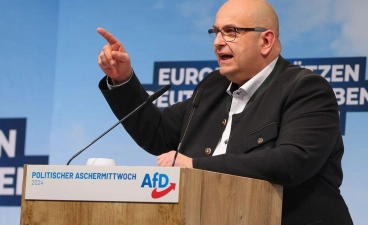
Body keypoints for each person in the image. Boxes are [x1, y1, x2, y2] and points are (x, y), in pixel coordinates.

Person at [96, 0, 353, 224]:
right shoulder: (212, 87)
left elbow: (291, 162)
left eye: (231, 32)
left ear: (266, 40)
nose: (218, 42)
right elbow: (158, 133)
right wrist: (123, 79)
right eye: (216, 32)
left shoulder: (306, 89)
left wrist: (194, 165)